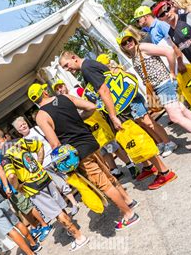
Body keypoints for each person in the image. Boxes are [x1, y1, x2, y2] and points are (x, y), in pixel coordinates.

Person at [29, 83, 142, 230]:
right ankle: (128, 200)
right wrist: (80, 120)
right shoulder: (64, 97)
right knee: (108, 175)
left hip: (78, 153)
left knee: (103, 184)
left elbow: (55, 144)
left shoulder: (41, 116)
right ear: (44, 92)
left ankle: (129, 214)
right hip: (91, 142)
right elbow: (91, 107)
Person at [59, 52, 178, 190]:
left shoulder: (87, 68)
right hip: (119, 108)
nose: (68, 69)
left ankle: (164, 172)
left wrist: (113, 115)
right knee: (130, 142)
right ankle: (148, 166)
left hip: (120, 110)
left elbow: (104, 91)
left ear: (74, 58)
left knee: (137, 140)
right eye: (64, 68)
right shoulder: (89, 65)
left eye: (66, 65)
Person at [117, 26, 191, 160]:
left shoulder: (142, 47)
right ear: (122, 47)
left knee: (175, 117)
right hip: (159, 87)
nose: (128, 43)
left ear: (133, 39)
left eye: (129, 39)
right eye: (124, 43)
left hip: (164, 85)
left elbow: (169, 52)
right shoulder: (135, 54)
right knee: (183, 111)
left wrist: (172, 73)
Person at [0, 128, 90, 251]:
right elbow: (39, 146)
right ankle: (72, 228)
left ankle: (79, 237)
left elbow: (11, 175)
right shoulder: (19, 141)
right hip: (45, 178)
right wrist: (39, 164)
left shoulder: (4, 155)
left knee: (57, 213)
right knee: (60, 208)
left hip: (34, 188)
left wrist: (17, 187)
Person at [0, 142, 52, 241]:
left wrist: (6, 186)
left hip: (10, 186)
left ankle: (44, 225)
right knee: (22, 209)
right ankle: (36, 226)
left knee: (27, 207)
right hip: (8, 186)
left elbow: (0, 169)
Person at [12, 116, 80, 214]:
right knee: (60, 184)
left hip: (55, 158)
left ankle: (84, 191)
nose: (23, 126)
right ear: (18, 131)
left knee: (70, 175)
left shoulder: (37, 129)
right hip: (43, 165)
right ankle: (74, 203)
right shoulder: (22, 143)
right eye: (20, 127)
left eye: (24, 124)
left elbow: (50, 136)